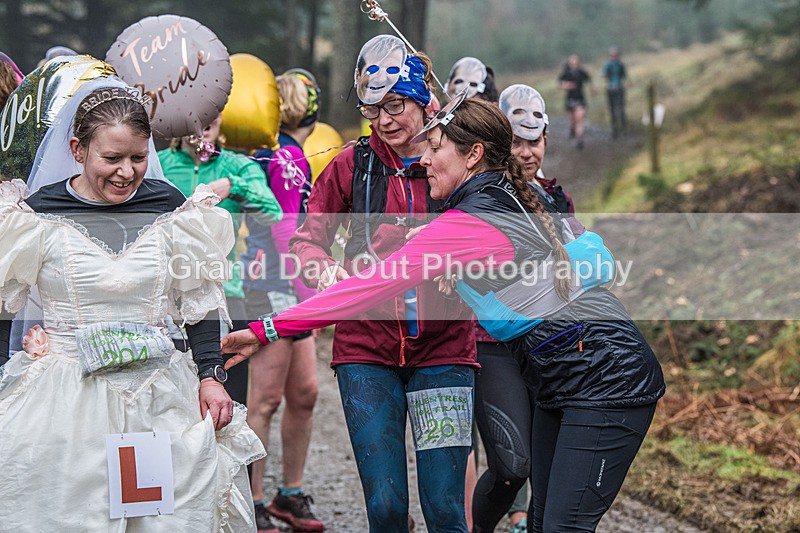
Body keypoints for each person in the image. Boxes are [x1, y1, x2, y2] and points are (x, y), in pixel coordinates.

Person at [222, 96, 666, 533]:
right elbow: (594, 256)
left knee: (563, 527)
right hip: (563, 379)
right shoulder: (512, 197)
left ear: (473, 155)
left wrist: (267, 329)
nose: (425, 158)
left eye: (435, 148)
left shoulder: (470, 222)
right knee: (542, 522)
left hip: (608, 379)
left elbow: (363, 290)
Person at [0, 78, 265, 531]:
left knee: (156, 518)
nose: (126, 172)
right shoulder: (34, 215)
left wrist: (210, 377)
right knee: (70, 516)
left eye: (138, 158)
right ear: (77, 149)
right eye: (112, 158)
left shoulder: (172, 209)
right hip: (66, 399)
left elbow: (197, 303)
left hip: (156, 396)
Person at [289, 34, 477, 532]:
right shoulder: (351, 165)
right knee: (388, 508)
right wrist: (325, 270)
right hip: (365, 348)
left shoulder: (454, 157)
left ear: (421, 98)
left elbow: (502, 235)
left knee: (445, 508)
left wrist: (471, 263)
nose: (386, 121)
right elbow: (306, 241)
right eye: (372, 110)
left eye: (395, 105)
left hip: (446, 347)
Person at [471, 83, 578, 533]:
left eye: (534, 141)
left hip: (549, 345)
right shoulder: (485, 196)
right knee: (513, 465)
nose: (526, 151)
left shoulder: (558, 199)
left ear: (546, 141)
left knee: (547, 473)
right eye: (516, 141)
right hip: (494, 345)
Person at [239, 69, 324, 533]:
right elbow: (286, 230)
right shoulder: (287, 159)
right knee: (266, 399)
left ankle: (289, 493)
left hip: (287, 287)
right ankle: (251, 500)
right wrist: (314, 295)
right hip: (276, 286)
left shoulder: (282, 154)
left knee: (305, 393)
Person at [158, 114, 283, 407]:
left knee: (230, 399)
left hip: (227, 294)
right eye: (193, 111)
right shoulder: (158, 164)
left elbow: (272, 212)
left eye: (210, 110)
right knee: (170, 399)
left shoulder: (239, 165)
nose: (203, 118)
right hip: (166, 295)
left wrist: (233, 185)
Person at [558, 54, 594, 150]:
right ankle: (572, 129)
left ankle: (580, 140)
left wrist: (592, 89)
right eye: (572, 63)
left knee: (579, 119)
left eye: (575, 63)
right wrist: (567, 85)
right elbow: (560, 83)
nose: (574, 65)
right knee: (572, 120)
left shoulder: (581, 72)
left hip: (580, 98)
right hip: (570, 99)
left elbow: (589, 79)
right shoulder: (566, 73)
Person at [602, 46, 628, 138]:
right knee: (612, 109)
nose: (614, 57)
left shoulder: (621, 65)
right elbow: (605, 77)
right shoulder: (607, 65)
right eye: (612, 55)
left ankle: (623, 128)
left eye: (615, 55)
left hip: (619, 88)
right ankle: (615, 129)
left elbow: (625, 76)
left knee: (621, 109)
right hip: (611, 88)